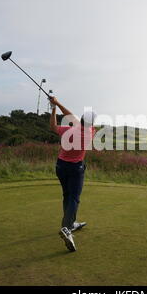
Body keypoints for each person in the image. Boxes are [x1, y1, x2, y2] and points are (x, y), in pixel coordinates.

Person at [49, 96, 96, 252]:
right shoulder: (90, 132)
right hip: (76, 169)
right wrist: (57, 104)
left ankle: (71, 223)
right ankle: (66, 228)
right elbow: (71, 117)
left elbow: (54, 127)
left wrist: (54, 106)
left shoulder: (69, 130)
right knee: (74, 198)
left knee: (67, 196)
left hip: (60, 166)